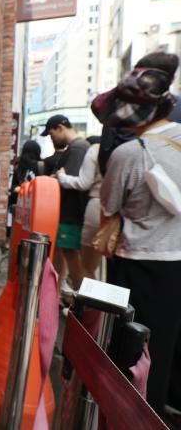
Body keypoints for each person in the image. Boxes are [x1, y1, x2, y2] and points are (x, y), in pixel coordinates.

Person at [96, 51, 181, 417]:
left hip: (138, 262)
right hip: (177, 261)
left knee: (135, 350)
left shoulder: (128, 154)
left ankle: (134, 415)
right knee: (168, 345)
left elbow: (109, 204)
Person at [41, 114, 90, 291]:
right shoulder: (76, 147)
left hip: (71, 212)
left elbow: (71, 180)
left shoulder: (78, 148)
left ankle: (80, 299)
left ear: (60, 128)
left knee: (72, 257)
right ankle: (58, 294)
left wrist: (58, 177)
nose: (52, 138)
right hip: (68, 211)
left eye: (51, 134)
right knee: (64, 253)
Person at [56, 136, 103, 280]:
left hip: (96, 206)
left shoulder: (94, 150)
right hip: (120, 210)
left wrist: (62, 177)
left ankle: (86, 294)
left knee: (87, 266)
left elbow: (84, 183)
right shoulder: (131, 148)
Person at [7, 141, 43, 238]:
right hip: (35, 207)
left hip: (19, 206)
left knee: (18, 233)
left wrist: (21, 189)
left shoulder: (19, 166)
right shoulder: (41, 165)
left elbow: (13, 187)